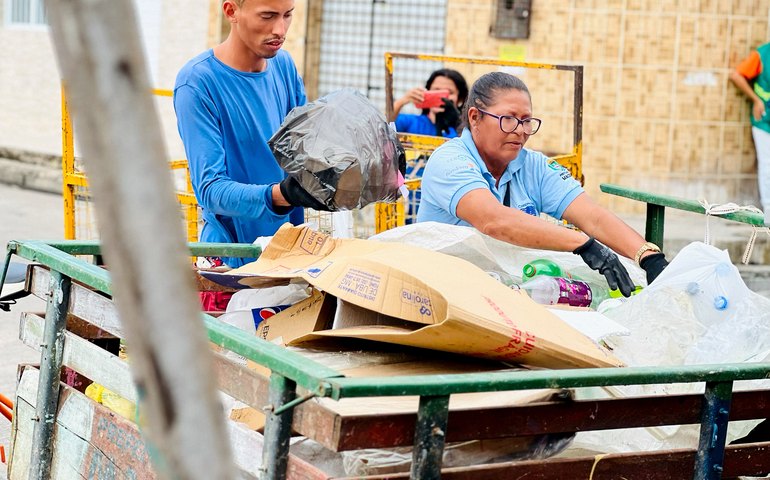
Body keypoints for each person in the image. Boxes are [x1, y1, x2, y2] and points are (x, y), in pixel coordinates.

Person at [416, 72, 669, 294]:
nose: (520, 130)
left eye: (527, 121)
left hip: (502, 290)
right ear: (474, 117)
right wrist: (581, 243)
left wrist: (648, 256)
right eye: (508, 119)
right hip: (444, 289)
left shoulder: (534, 166)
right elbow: (493, 221)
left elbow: (592, 217)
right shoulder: (449, 160)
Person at [174, 0, 324, 269]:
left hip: (288, 249)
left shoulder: (284, 67)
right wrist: (281, 195)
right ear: (231, 11)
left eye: (287, 15)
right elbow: (210, 189)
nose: (280, 29)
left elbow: (307, 144)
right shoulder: (197, 83)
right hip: (231, 259)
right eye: (267, 16)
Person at [729, 43, 770, 214]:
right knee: (767, 164)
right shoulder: (763, 54)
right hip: (763, 120)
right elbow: (736, 75)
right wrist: (756, 100)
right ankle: (768, 208)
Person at [391, 69, 469, 138]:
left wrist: (457, 122)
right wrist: (401, 101)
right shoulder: (410, 121)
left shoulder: (465, 130)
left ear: (460, 99)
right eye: (436, 90)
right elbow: (384, 127)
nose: (441, 97)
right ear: (427, 92)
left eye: (449, 92)